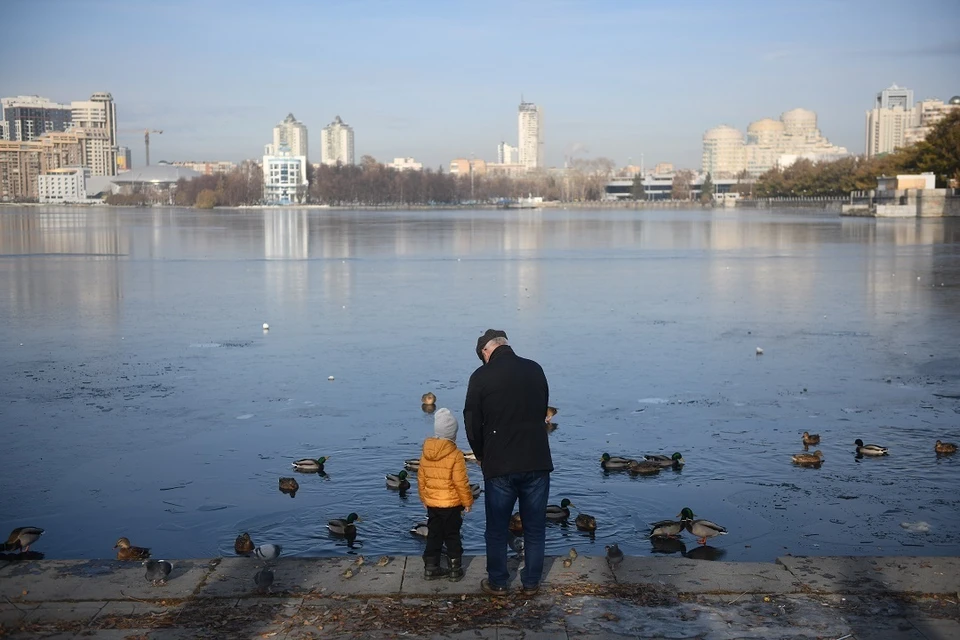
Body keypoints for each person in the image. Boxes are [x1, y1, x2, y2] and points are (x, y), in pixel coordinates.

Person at [464, 329, 552, 596]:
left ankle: (499, 582)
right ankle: (531, 582)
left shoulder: (481, 377)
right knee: (535, 527)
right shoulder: (535, 369)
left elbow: (471, 423)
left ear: (486, 351)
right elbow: (542, 410)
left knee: (497, 528)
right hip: (536, 460)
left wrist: (481, 454)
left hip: (499, 464)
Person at [417, 407, 474, 581]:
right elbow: (460, 482)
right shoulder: (456, 454)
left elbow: (421, 478)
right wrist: (468, 502)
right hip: (451, 504)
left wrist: (424, 499)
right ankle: (455, 570)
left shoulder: (426, 452)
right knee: (452, 535)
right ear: (453, 434)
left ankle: (431, 567)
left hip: (433, 505)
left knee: (433, 535)